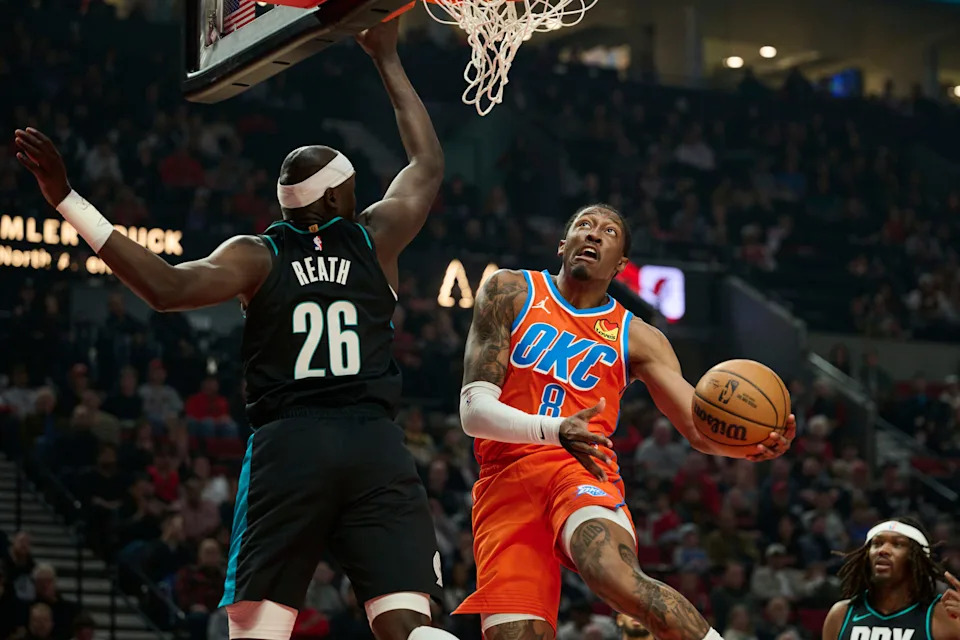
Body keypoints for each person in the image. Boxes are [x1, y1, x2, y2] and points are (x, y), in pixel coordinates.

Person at [16, 17, 451, 640]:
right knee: (408, 625)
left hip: (291, 447)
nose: (359, 195)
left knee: (255, 631)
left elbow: (165, 289)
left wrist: (66, 198)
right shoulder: (375, 238)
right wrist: (386, 57)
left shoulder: (257, 254)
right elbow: (426, 164)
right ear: (335, 201)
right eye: (353, 187)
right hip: (375, 445)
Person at [453, 203, 796, 640]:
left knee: (613, 575)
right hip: (504, 481)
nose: (593, 234)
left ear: (621, 264)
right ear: (563, 245)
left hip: (577, 469)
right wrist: (554, 428)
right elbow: (473, 411)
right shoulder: (510, 290)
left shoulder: (640, 338)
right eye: (583, 226)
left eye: (608, 231)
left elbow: (697, 427)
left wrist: (751, 446)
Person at [822, 517, 960, 640]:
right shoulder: (841, 614)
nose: (883, 550)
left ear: (917, 559)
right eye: (877, 543)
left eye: (897, 544)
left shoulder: (942, 616)